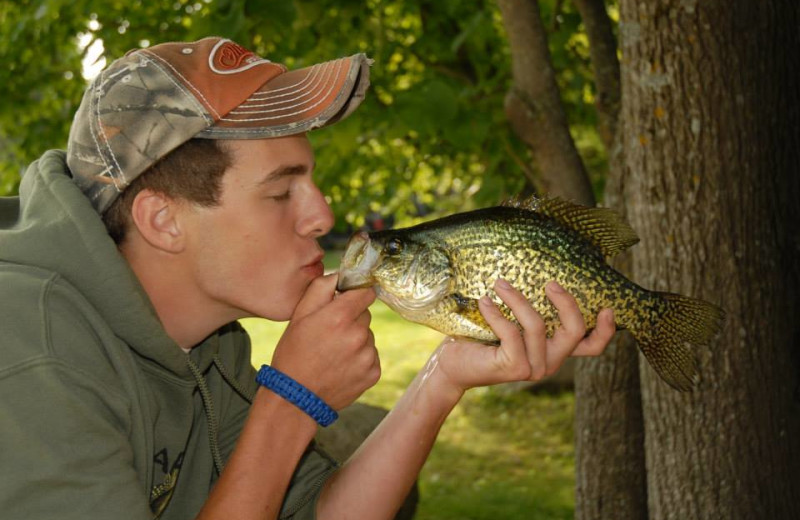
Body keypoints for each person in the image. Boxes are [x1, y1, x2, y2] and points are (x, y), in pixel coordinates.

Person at [0, 37, 616, 519]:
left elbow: (313, 514)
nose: (322, 216)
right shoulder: (31, 352)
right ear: (163, 219)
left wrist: (443, 378)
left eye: (311, 182)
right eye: (280, 192)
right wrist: (289, 400)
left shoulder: (209, 345)